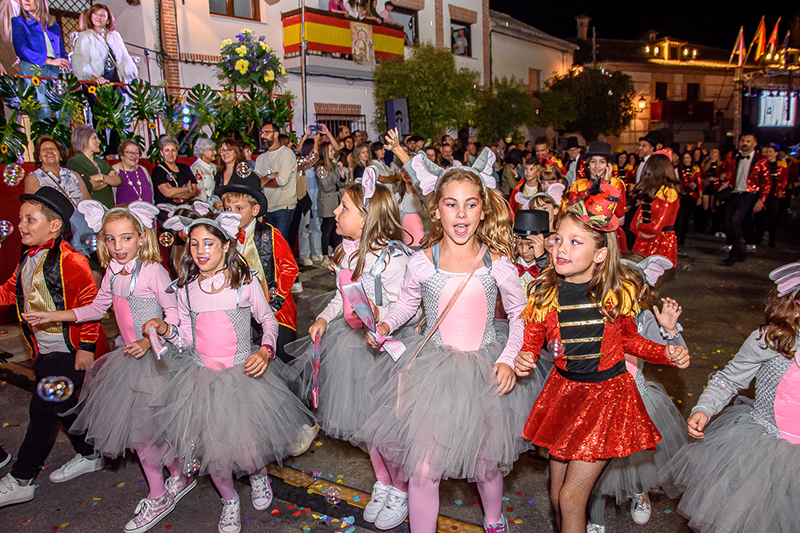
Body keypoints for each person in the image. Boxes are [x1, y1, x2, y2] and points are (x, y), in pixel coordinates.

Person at [361, 146, 541, 533]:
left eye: (470, 204)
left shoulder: (498, 264)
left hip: (484, 372)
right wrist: (387, 325)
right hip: (435, 374)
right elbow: (406, 304)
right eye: (451, 204)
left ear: (483, 210)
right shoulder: (421, 262)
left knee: (486, 463)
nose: (461, 214)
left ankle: (493, 520)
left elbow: (520, 315)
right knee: (424, 468)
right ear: (436, 209)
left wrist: (508, 358)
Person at [515, 182, 690, 533]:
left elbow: (629, 340)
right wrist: (524, 357)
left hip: (605, 400)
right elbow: (532, 340)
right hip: (564, 396)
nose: (561, 248)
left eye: (575, 242)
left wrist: (665, 352)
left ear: (599, 254)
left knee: (571, 499)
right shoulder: (544, 293)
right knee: (556, 497)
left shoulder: (614, 295)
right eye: (558, 239)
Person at [20, 201, 193, 532]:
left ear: (141, 237)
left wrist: (149, 340)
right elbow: (96, 308)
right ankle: (176, 477)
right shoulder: (114, 270)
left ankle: (160, 495)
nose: (118, 246)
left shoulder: (153, 271)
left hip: (157, 361)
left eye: (126, 238)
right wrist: (52, 315)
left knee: (146, 434)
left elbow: (173, 315)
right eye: (110, 239)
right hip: (128, 361)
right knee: (148, 432)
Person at [151, 213, 315, 533]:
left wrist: (265, 350)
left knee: (247, 446)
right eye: (194, 244)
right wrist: (167, 331)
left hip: (241, 376)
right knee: (214, 451)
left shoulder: (244, 282)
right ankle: (229, 500)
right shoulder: (186, 289)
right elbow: (187, 338)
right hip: (202, 379)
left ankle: (257, 474)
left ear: (226, 246)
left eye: (209, 243)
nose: (200, 251)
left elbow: (268, 320)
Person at [661, 262, 800, 533]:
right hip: (765, 451)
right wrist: (704, 408)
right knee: (758, 518)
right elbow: (730, 378)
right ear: (794, 306)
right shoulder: (771, 340)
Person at [0, 188, 110, 509]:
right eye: (20, 219)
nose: (21, 225)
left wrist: (86, 347)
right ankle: (90, 453)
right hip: (44, 349)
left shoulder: (71, 260)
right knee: (63, 405)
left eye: (29, 219)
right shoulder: (27, 257)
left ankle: (22, 479)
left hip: (70, 349)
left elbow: (90, 307)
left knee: (42, 410)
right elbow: (10, 291)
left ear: (54, 225)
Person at [587, 252, 687, 531]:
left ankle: (638, 491)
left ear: (643, 290)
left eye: (631, 285)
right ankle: (595, 520)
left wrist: (670, 332)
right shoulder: (595, 311)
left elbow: (678, 355)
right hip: (597, 397)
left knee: (636, 456)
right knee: (593, 462)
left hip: (635, 397)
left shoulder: (644, 319)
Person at [217, 174, 299, 365]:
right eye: (228, 209)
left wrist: (275, 302)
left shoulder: (269, 234)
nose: (232, 214)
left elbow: (290, 268)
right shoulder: (223, 238)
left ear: (255, 210)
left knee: (280, 363)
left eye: (239, 208)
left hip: (275, 312)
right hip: (240, 314)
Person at [23, 136, 93, 256]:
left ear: (60, 156)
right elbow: (34, 209)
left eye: (53, 149)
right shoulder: (34, 178)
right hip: (56, 230)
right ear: (39, 157)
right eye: (44, 149)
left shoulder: (73, 175)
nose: (49, 151)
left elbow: (88, 201)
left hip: (83, 228)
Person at [717, 133, 770, 266]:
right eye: (742, 140)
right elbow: (726, 172)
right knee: (728, 224)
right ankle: (739, 253)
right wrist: (725, 180)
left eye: (748, 141)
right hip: (734, 193)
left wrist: (761, 200)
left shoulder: (761, 160)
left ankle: (734, 255)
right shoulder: (733, 156)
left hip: (749, 194)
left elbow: (766, 182)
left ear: (754, 143)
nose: (744, 143)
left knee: (735, 220)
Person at [11, 0, 68, 118]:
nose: (26, 1)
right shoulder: (18, 21)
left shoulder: (54, 26)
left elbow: (61, 51)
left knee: (64, 110)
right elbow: (21, 49)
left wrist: (66, 66)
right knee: (43, 110)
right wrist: (48, 61)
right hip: (32, 68)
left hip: (55, 70)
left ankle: (61, 131)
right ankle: (42, 131)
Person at [567, 141, 628, 251]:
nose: (597, 166)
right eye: (593, 161)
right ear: (588, 164)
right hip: (584, 236)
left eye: (602, 162)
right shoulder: (578, 185)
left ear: (608, 165)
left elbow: (620, 215)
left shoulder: (617, 185)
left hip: (610, 236)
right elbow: (573, 215)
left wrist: (606, 185)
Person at [631, 152, 680, 266]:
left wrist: (640, 226)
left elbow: (655, 228)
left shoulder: (668, 194)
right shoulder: (650, 194)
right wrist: (642, 232)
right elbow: (632, 225)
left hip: (662, 243)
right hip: (643, 243)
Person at [71, 3, 137, 85]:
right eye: (95, 14)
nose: (98, 17)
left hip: (115, 80)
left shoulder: (115, 36)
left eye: (102, 15)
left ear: (108, 20)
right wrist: (94, 78)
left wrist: (134, 76)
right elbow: (80, 62)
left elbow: (124, 57)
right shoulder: (85, 36)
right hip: (95, 83)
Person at [255, 122, 298, 239]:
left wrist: (264, 181)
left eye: (266, 133)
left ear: (276, 134)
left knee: (281, 241)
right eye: (262, 133)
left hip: (284, 206)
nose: (262, 136)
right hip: (268, 206)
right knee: (270, 242)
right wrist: (268, 177)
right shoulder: (261, 158)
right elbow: (256, 183)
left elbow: (282, 181)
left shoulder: (286, 153)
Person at [66, 124, 121, 209]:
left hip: (109, 209)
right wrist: (108, 179)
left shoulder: (101, 162)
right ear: (83, 140)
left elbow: (119, 180)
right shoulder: (74, 162)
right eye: (94, 138)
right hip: (92, 210)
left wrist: (101, 177)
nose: (99, 141)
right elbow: (89, 185)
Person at [151, 136, 200, 209]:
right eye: (167, 150)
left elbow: (194, 191)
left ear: (177, 152)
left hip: (186, 206)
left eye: (173, 150)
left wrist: (175, 191)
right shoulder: (158, 171)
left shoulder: (185, 168)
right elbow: (168, 193)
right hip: (166, 208)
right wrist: (187, 189)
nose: (170, 153)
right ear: (161, 153)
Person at [315, 141, 343, 265]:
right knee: (327, 230)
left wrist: (341, 173)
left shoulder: (332, 166)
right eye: (331, 150)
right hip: (327, 202)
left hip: (335, 200)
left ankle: (336, 253)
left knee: (335, 229)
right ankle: (325, 255)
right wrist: (336, 186)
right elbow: (326, 186)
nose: (333, 152)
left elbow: (341, 183)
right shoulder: (321, 168)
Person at [756, 143, 788, 248]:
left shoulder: (782, 165)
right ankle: (758, 237)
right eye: (767, 152)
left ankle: (771, 239)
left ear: (775, 153)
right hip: (763, 193)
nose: (768, 154)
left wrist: (781, 189)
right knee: (760, 216)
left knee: (773, 217)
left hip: (775, 193)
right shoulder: (762, 164)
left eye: (770, 152)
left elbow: (784, 179)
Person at [512, 209, 551, 294]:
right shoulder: (508, 264)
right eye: (519, 244)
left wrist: (542, 260)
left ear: (545, 240)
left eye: (530, 245)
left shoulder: (553, 266)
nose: (524, 251)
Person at [675, 151, 703, 246]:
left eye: (688, 158)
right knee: (679, 216)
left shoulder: (696, 169)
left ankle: (682, 237)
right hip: (681, 195)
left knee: (686, 217)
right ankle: (677, 236)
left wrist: (700, 196)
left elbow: (699, 184)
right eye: (684, 158)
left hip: (691, 196)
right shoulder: (679, 169)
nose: (686, 160)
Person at [113, 139, 154, 204]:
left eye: (136, 153)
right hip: (125, 210)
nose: (134, 156)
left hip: (147, 210)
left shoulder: (143, 170)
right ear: (121, 155)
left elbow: (152, 194)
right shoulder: (114, 170)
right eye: (130, 152)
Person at [189, 138, 218, 202]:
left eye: (214, 150)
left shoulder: (215, 167)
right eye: (212, 150)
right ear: (202, 152)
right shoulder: (196, 168)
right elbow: (200, 193)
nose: (215, 153)